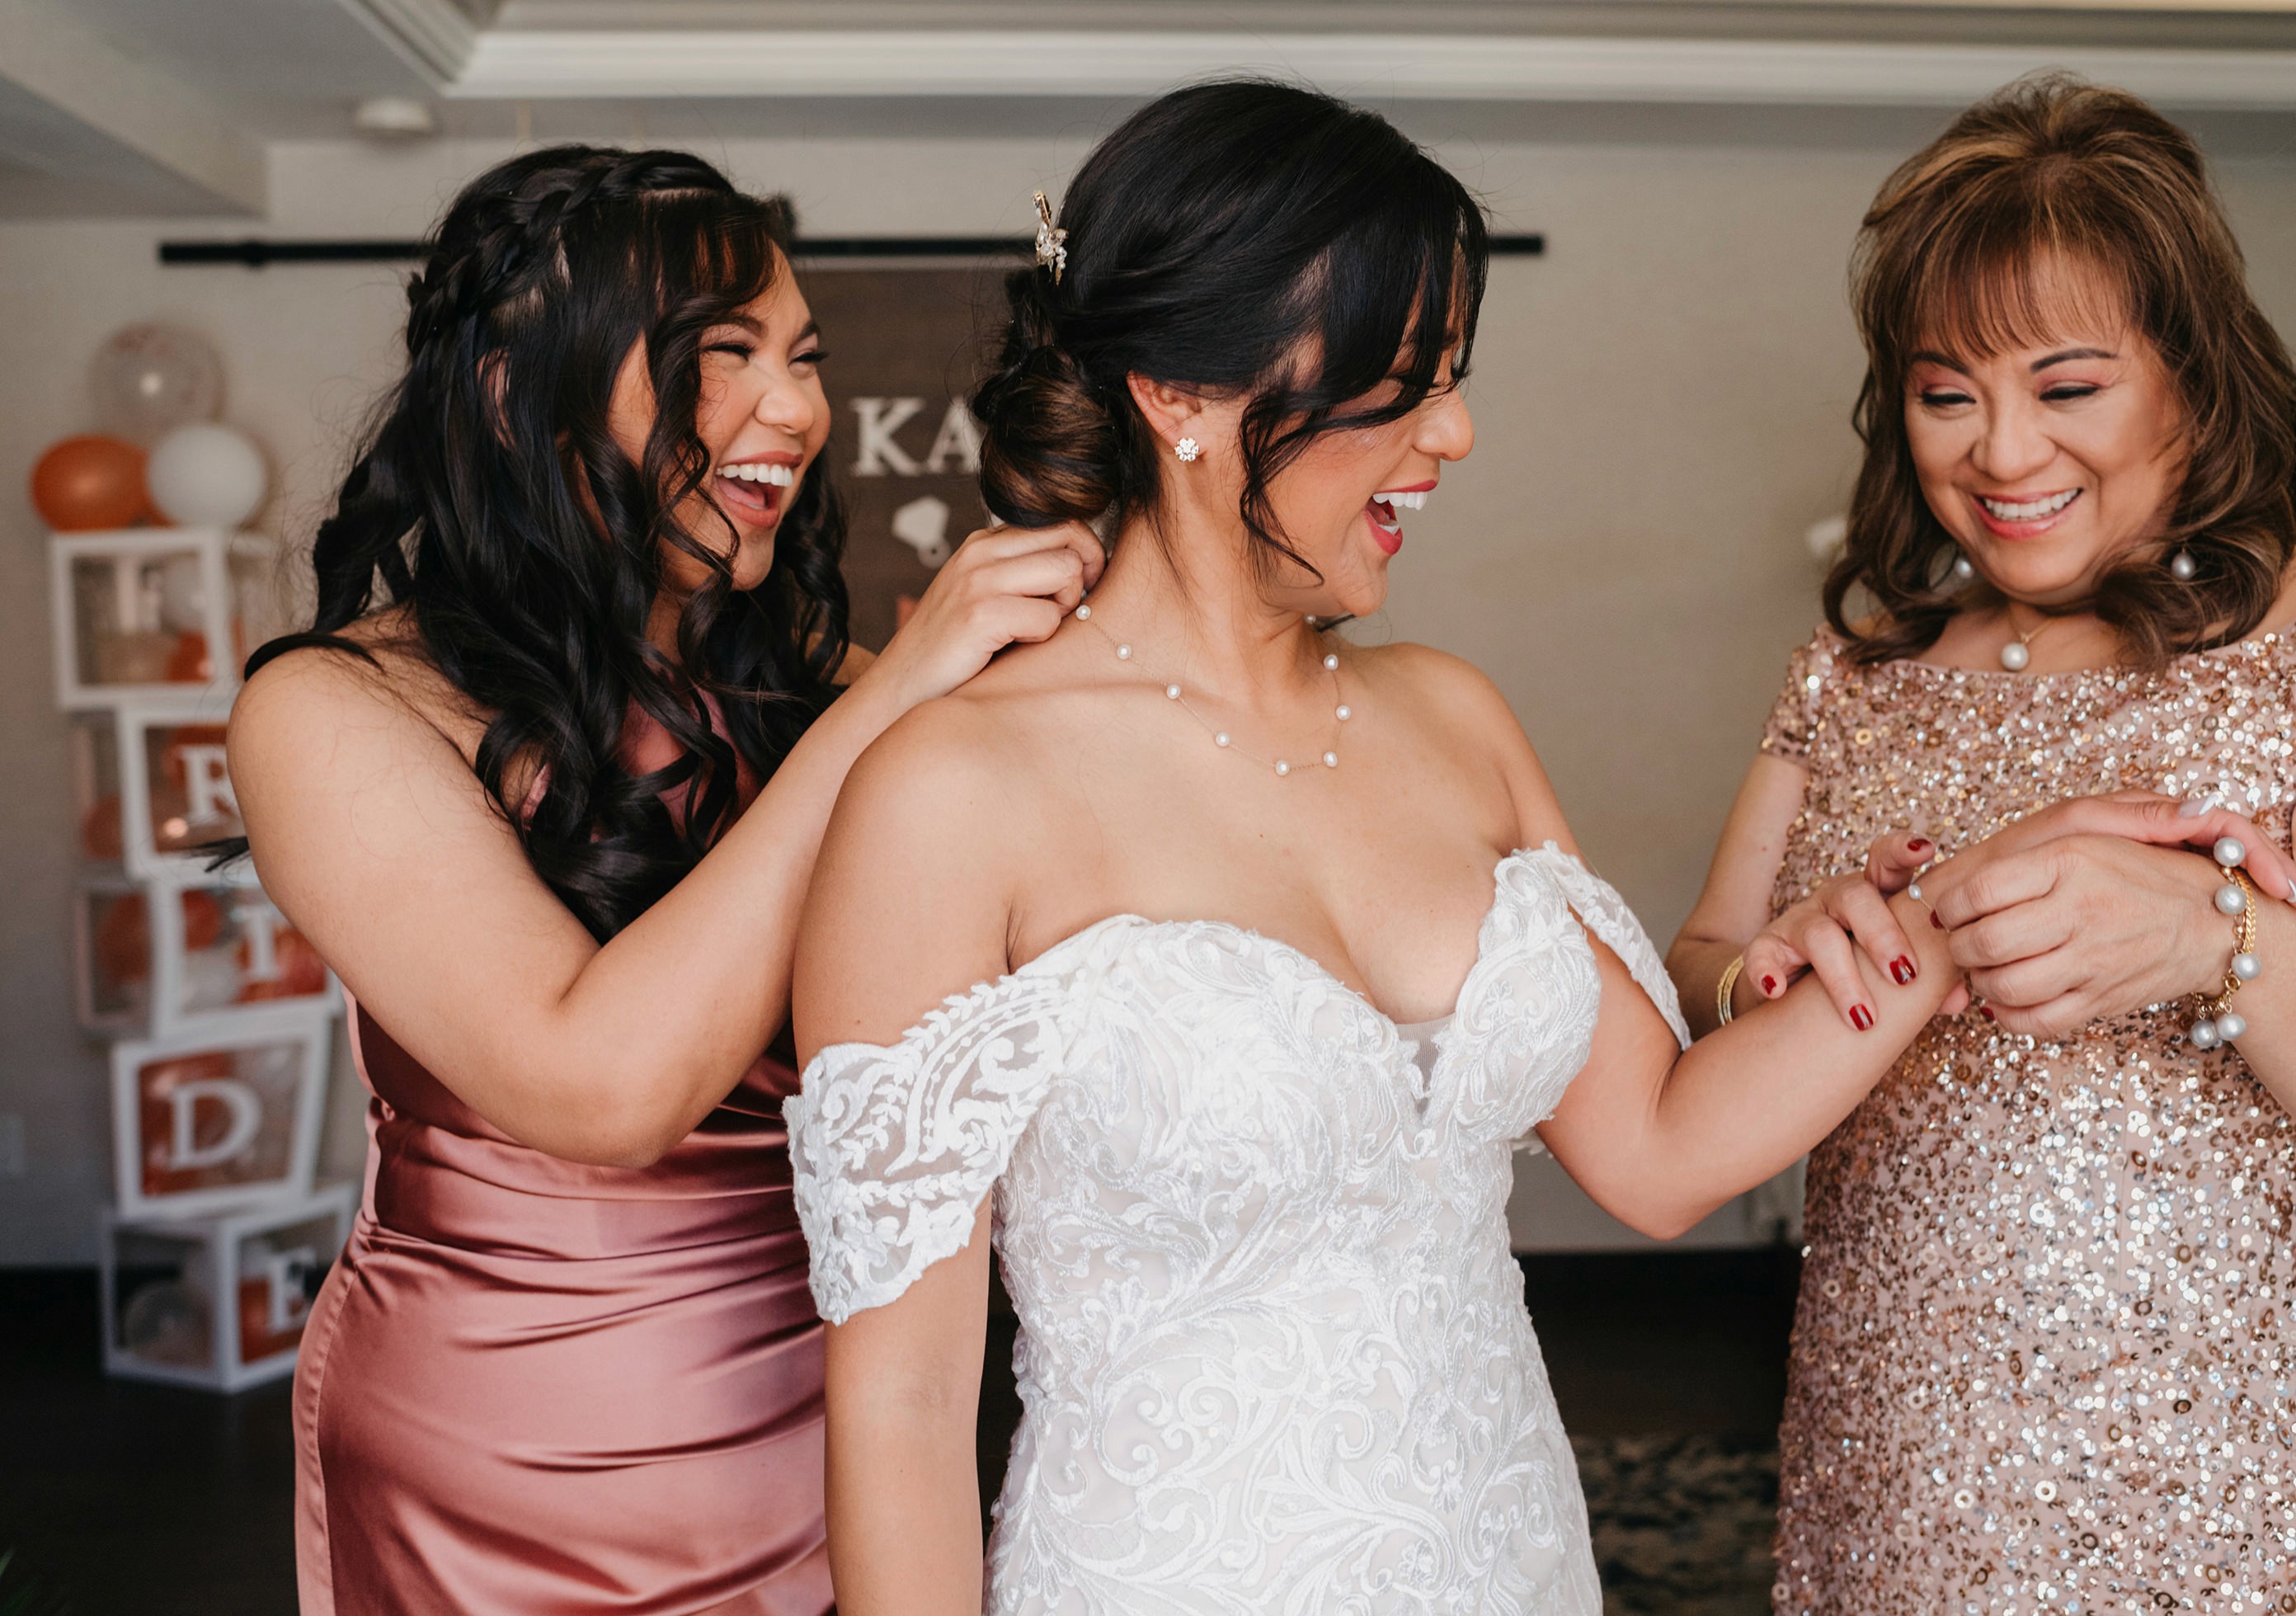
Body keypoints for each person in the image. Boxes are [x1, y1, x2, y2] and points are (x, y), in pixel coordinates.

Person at [783, 81, 1953, 1614]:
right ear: (1181, 396)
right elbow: (905, 1410)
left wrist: (1935, 945)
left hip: (1511, 1561)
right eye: (1403, 384)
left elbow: (1662, 1155)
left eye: (1454, 376)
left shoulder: (1455, 719)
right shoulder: (951, 791)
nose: (1456, 434)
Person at [226, 147, 1099, 1614]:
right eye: (722, 358)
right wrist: (894, 709)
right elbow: (599, 1089)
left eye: (806, 358)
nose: (796, 407)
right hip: (510, 1464)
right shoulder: (333, 713)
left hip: (831, 1439)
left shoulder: (832, 694)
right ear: (518, 393)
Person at [1668, 75, 2296, 1613]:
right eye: (1950, 393)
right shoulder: (1858, 676)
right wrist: (1777, 966)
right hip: (1898, 1452)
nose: (2001, 454)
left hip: (2238, 1471)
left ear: (2191, 387)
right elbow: (1698, 983)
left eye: (2067, 387)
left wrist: (2223, 937)